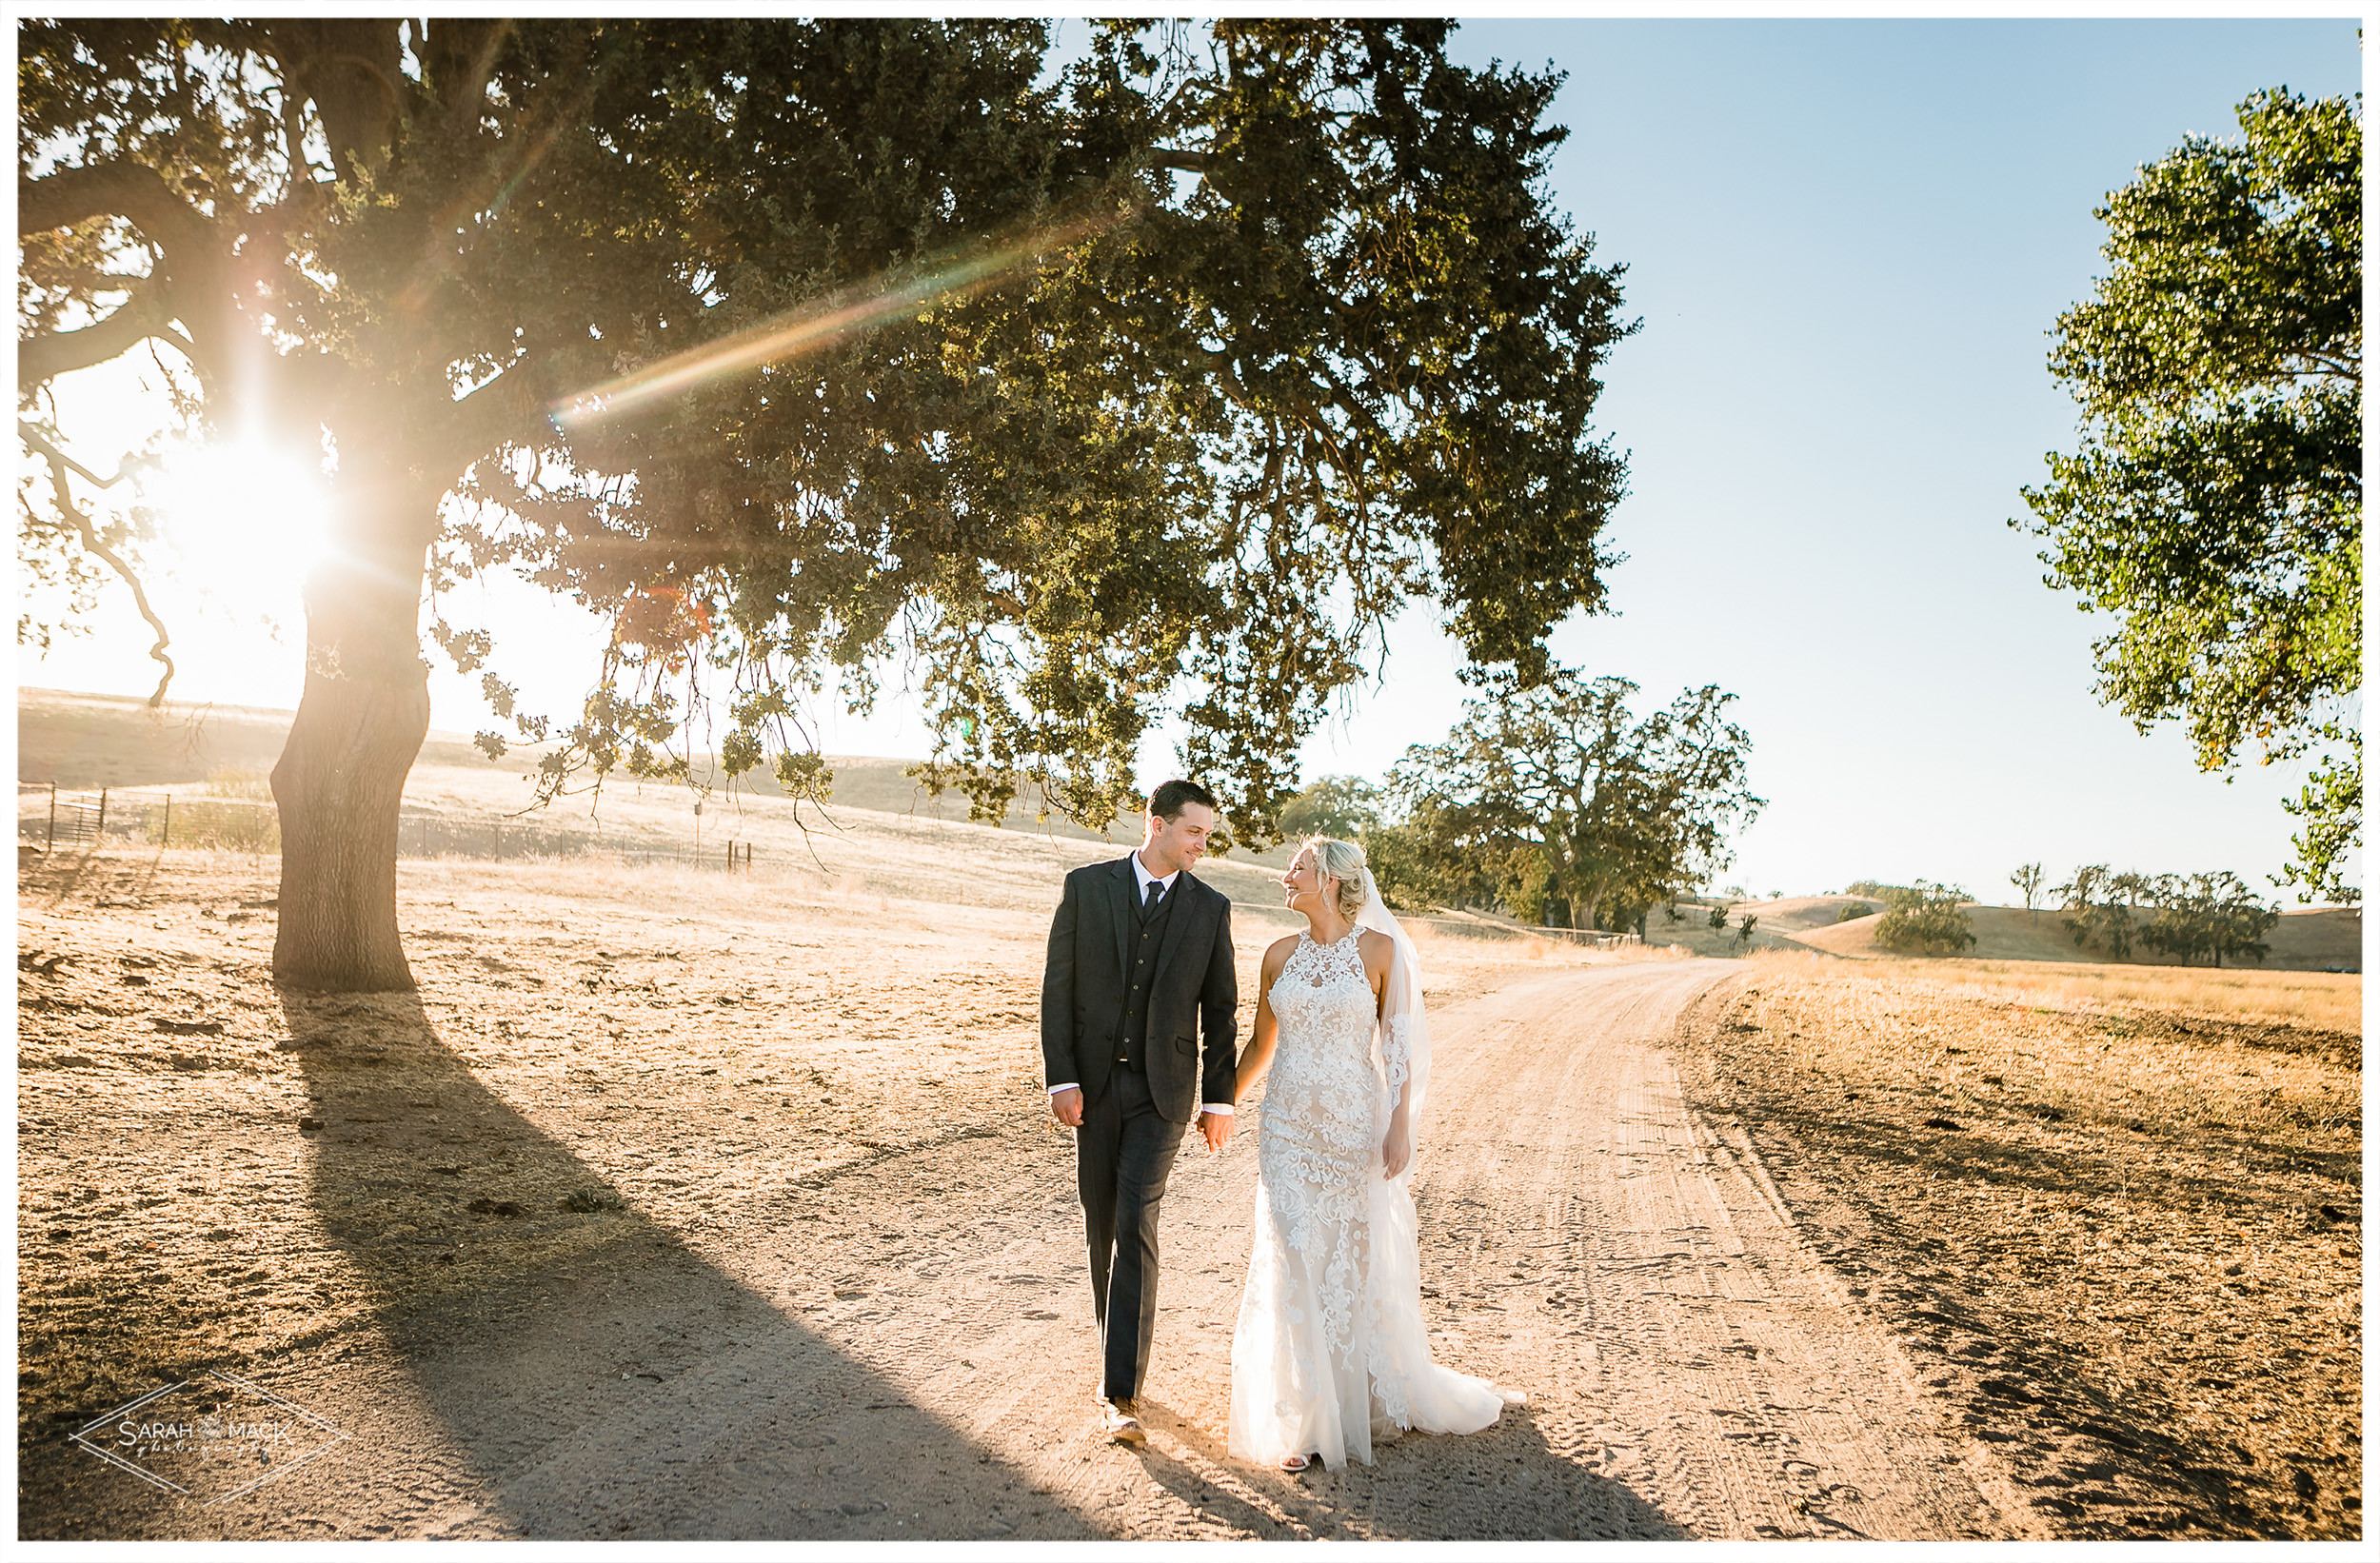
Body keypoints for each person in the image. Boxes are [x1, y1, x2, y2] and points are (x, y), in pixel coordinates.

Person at [1225, 835, 1519, 1472]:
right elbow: (1258, 1045)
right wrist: (1219, 1102)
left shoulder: (1381, 952)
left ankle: (1352, 1394)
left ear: (1329, 879)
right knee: (1292, 1259)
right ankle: (1301, 1421)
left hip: (1353, 1130)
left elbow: (1399, 1047)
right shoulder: (1277, 956)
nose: (1286, 875)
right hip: (1285, 1130)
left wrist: (1399, 1126)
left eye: (1297, 867)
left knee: (1347, 1265)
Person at [1041, 778, 1240, 1447]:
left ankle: (1119, 1390)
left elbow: (1220, 1012)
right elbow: (1057, 991)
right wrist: (1061, 1078)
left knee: (1135, 1221)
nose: (1202, 845)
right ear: (1155, 824)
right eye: (1194, 832)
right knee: (1102, 1228)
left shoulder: (1211, 910)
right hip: (1092, 1091)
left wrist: (1220, 1098)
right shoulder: (1086, 889)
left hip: (1165, 1097)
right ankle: (1113, 1359)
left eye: (1206, 834)